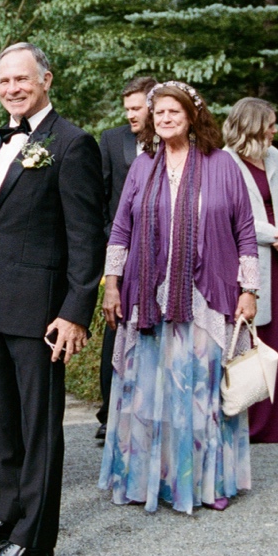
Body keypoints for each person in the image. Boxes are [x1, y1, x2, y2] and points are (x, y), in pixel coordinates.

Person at [0, 42, 102, 556]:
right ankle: (6, 519)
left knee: (38, 430)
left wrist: (76, 312)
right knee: (0, 424)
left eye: (22, 79)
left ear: (46, 79)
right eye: (5, 81)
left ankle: (34, 545)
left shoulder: (72, 144)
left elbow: (87, 239)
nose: (12, 88)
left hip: (40, 315)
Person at [102, 81, 258, 511]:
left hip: (204, 297)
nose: (165, 119)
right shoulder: (142, 166)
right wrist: (112, 283)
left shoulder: (222, 164)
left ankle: (203, 485)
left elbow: (245, 230)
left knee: (197, 391)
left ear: (192, 116)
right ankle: (149, 482)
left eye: (174, 112)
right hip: (148, 296)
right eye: (159, 113)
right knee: (149, 392)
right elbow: (121, 229)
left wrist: (250, 290)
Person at [223, 97, 278, 444]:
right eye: (270, 124)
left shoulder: (274, 156)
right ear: (253, 125)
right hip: (251, 260)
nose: (275, 130)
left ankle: (271, 426)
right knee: (251, 343)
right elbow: (232, 216)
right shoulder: (226, 160)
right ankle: (246, 423)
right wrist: (273, 234)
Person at [95, 75, 156, 445]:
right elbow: (101, 197)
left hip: (162, 255)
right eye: (127, 109)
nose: (130, 115)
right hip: (121, 253)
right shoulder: (112, 140)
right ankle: (108, 413)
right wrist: (112, 243)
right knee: (114, 329)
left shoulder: (173, 142)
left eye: (136, 108)